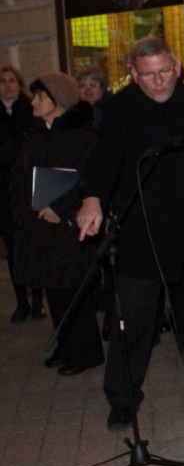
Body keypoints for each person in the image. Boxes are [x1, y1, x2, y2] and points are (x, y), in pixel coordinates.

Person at [76, 37, 184, 428]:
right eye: (149, 75)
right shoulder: (119, 109)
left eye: (165, 72)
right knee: (134, 318)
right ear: (133, 75)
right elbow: (104, 159)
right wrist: (92, 198)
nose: (159, 82)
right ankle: (123, 398)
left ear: (177, 67)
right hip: (143, 228)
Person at [9, 72, 104, 376]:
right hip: (40, 224)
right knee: (54, 289)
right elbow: (21, 176)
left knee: (72, 288)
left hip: (68, 224)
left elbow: (88, 181)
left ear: (58, 100)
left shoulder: (82, 135)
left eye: (40, 96)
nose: (33, 102)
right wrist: (28, 207)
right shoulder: (36, 133)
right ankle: (65, 347)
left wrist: (61, 209)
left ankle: (85, 352)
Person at [0, 64, 45, 323]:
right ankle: (22, 301)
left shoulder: (29, 110)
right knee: (13, 246)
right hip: (3, 190)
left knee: (33, 243)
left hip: (28, 184)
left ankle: (38, 299)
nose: (7, 85)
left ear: (19, 84)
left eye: (11, 80)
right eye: (3, 81)